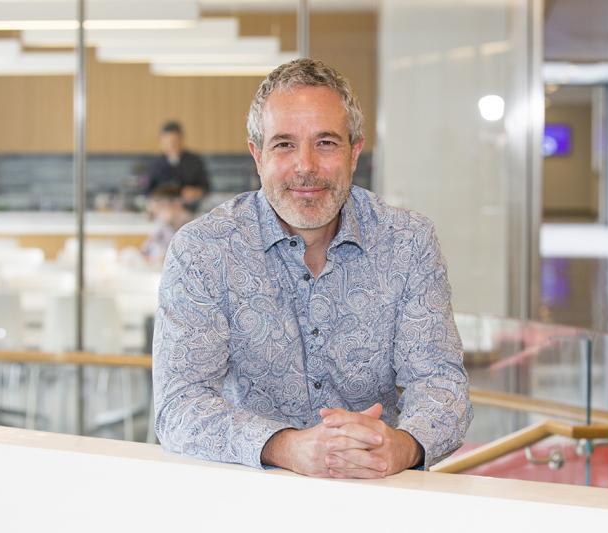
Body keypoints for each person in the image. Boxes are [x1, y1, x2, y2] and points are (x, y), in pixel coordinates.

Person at [153, 59, 472, 479]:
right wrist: (288, 446)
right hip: (244, 497)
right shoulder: (204, 250)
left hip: (378, 491)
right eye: (284, 144)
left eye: (325, 143)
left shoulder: (409, 243)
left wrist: (402, 444)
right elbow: (179, 403)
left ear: (354, 152)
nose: (305, 166)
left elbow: (441, 383)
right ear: (257, 155)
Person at [146, 121, 210, 212]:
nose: (171, 145)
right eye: (168, 142)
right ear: (162, 141)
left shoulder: (195, 161)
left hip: (190, 210)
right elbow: (147, 192)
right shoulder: (155, 163)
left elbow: (206, 188)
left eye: (175, 141)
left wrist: (196, 192)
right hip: (162, 211)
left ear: (181, 139)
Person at [141, 184, 192, 265]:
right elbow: (145, 250)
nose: (159, 215)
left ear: (177, 205)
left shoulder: (191, 229)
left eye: (161, 208)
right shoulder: (164, 226)